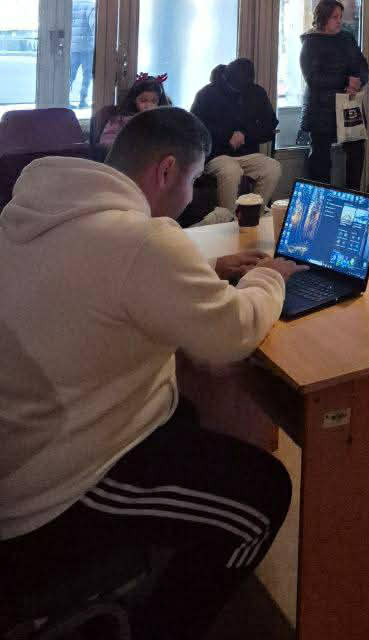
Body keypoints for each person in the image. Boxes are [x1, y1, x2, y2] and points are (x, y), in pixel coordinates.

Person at [0, 107, 305, 640]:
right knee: (263, 497)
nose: (190, 197)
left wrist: (202, 273)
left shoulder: (35, 211)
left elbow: (103, 285)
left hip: (20, 450)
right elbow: (233, 334)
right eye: (192, 180)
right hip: (54, 495)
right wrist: (271, 278)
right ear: (166, 171)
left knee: (186, 413)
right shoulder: (140, 240)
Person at [191, 58, 282, 211]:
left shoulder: (257, 92)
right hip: (216, 154)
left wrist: (245, 135)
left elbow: (270, 124)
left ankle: (254, 213)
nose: (237, 91)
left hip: (248, 153)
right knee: (231, 170)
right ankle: (229, 218)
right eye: (233, 87)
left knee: (273, 167)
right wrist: (228, 136)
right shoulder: (207, 94)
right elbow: (196, 128)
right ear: (225, 78)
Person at [299, 0, 369, 188]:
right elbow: (313, 78)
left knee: (357, 149)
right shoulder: (310, 43)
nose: (339, 21)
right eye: (334, 17)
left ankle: (353, 193)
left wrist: (358, 80)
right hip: (321, 107)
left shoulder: (347, 38)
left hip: (348, 104)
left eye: (340, 16)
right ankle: (322, 196)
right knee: (320, 157)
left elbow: (362, 64)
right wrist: (345, 82)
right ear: (323, 19)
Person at [89, 71, 171, 160]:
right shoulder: (120, 120)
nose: (149, 105)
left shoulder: (162, 121)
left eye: (154, 101)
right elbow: (107, 143)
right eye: (143, 101)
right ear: (134, 100)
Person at [69, 0, 96, 109]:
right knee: (87, 75)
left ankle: (64, 100)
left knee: (70, 74)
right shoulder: (91, 5)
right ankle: (82, 100)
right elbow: (93, 25)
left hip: (73, 46)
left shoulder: (73, 4)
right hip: (87, 48)